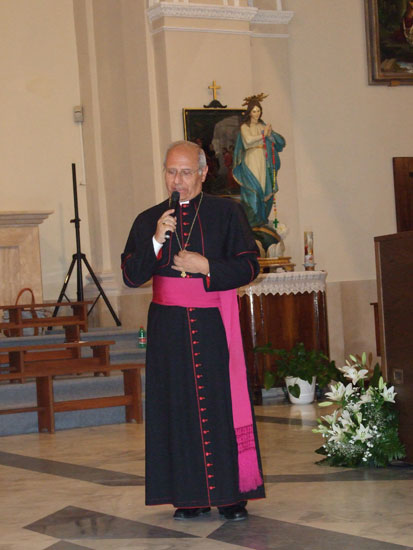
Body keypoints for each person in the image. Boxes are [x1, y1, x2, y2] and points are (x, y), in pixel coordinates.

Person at [121, 140, 265, 521]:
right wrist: (155, 240)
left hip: (212, 322)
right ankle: (188, 496)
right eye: (171, 171)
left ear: (203, 172)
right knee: (176, 408)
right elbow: (132, 276)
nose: (178, 180)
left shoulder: (227, 212)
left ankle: (230, 495)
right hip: (167, 328)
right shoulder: (148, 218)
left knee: (219, 404)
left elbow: (251, 266)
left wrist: (207, 267)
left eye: (186, 172)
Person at [232, 95, 285, 250]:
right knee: (253, 192)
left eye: (258, 111)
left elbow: (280, 141)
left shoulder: (263, 125)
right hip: (251, 160)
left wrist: (271, 135)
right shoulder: (245, 127)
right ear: (249, 112)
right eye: (254, 111)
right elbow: (248, 141)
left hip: (263, 161)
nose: (256, 114)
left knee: (263, 192)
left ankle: (261, 221)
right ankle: (253, 223)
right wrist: (264, 135)